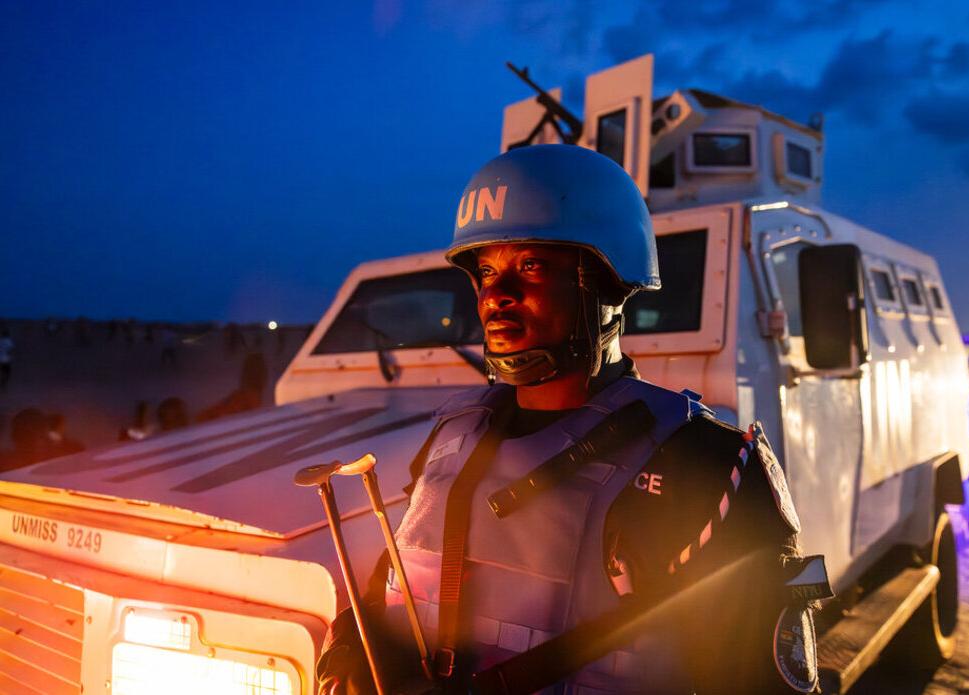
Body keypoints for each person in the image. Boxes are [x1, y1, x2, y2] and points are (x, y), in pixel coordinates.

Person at [316, 145, 825, 694]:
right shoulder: (452, 436)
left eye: (531, 266)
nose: (497, 296)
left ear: (606, 282)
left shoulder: (705, 462)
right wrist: (347, 651)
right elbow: (393, 587)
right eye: (487, 271)